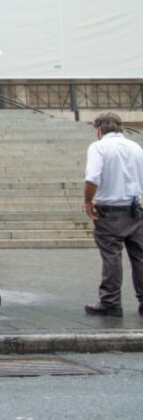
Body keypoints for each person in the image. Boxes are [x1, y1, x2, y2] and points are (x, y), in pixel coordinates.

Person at [82, 113, 143, 317]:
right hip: (135, 210)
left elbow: (92, 178)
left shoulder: (99, 147)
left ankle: (110, 302)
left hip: (109, 211)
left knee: (111, 258)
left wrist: (88, 202)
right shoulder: (135, 147)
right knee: (140, 258)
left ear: (99, 129)